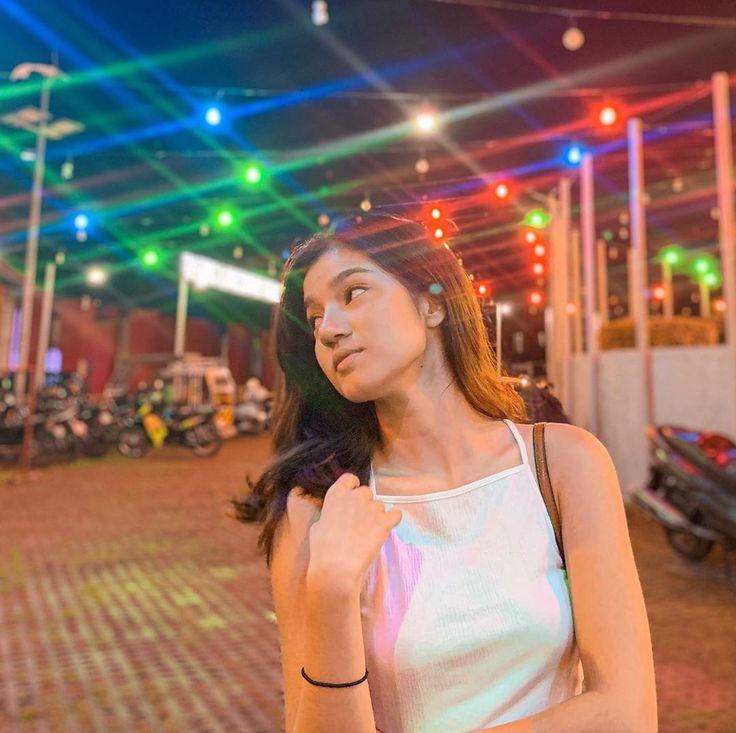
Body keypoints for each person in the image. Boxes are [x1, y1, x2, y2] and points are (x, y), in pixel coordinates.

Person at [232, 214, 656, 733]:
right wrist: (333, 591)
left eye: (354, 292)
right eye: (315, 319)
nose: (331, 330)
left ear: (432, 302)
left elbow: (626, 713)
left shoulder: (563, 465)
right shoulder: (319, 510)